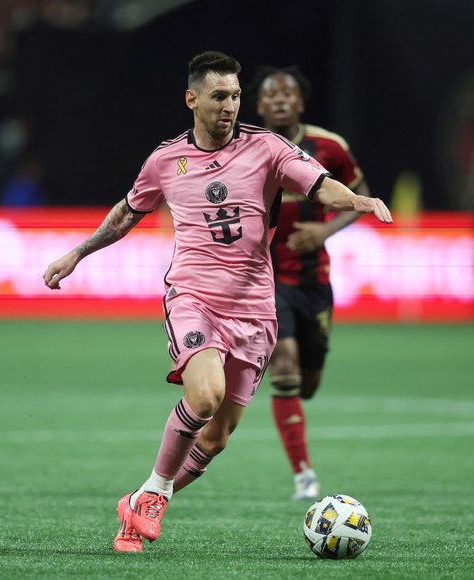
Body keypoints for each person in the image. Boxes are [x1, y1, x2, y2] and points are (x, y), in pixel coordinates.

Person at [42, 51, 391, 552]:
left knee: (216, 438)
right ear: (192, 99)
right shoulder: (166, 160)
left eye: (235, 96)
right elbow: (126, 212)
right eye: (219, 96)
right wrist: (78, 252)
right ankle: (157, 495)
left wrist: (357, 201)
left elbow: (319, 185)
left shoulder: (267, 148)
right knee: (203, 397)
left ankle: (137, 504)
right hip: (194, 296)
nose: (230, 105)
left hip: (255, 309)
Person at [253, 65, 372, 500]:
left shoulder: (329, 147)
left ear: (300, 103)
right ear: (260, 105)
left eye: (288, 93)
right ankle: (304, 475)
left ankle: (295, 429)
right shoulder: (246, 149)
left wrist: (322, 231)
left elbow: (358, 198)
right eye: (271, 93)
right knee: (283, 361)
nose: (280, 99)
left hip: (314, 281)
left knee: (308, 384)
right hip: (265, 278)